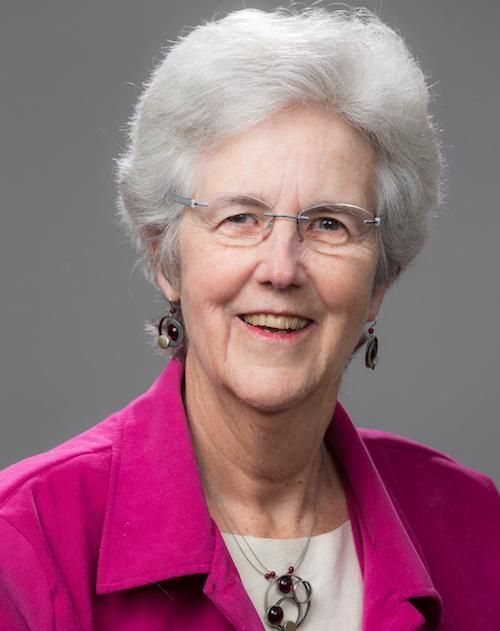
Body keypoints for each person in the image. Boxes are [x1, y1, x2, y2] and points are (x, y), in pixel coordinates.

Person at [0, 6, 498, 631]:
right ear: (165, 257)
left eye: (328, 223)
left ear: (380, 280)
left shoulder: (476, 523)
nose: (281, 269)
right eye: (240, 218)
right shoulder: (25, 541)